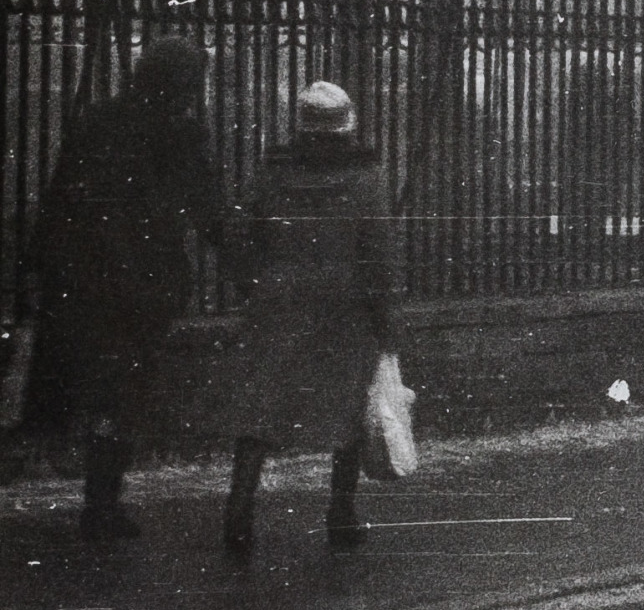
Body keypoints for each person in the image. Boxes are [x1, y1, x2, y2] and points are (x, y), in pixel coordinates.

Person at [23, 38, 225, 541]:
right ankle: (102, 501)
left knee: (75, 388)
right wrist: (247, 263)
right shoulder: (182, 134)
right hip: (141, 285)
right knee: (123, 392)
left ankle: (98, 498)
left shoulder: (98, 120)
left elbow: (60, 194)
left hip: (82, 280)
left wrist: (39, 266)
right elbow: (209, 209)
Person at [223, 81, 399, 559]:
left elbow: (239, 232)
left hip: (278, 299)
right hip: (344, 304)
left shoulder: (272, 172)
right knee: (348, 409)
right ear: (348, 124)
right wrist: (385, 317)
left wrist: (253, 283)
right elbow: (378, 252)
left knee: (262, 403)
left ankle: (238, 512)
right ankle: (340, 514)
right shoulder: (367, 176)